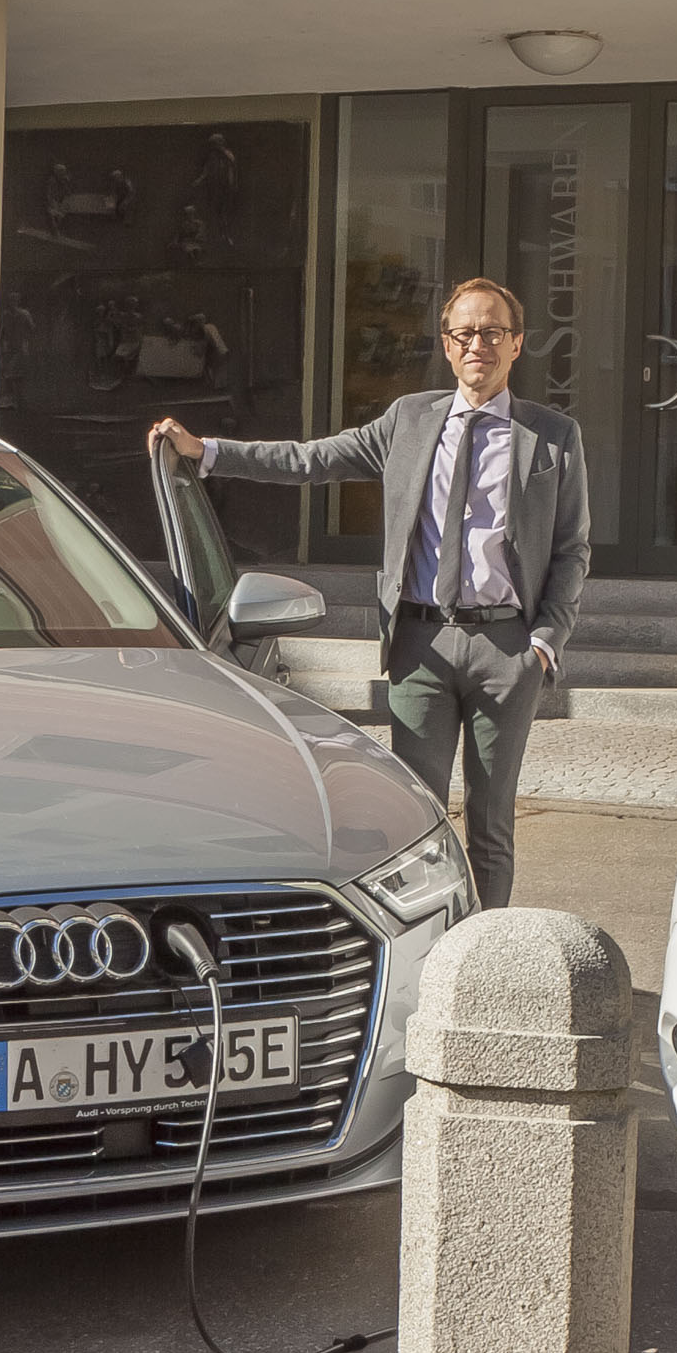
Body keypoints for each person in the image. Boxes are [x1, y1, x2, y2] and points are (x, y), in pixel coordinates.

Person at [147, 278, 587, 910]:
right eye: (465, 333)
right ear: (446, 343)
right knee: (417, 820)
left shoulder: (551, 436)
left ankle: (485, 959)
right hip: (420, 645)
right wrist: (206, 451)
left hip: (506, 648)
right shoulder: (409, 419)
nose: (478, 345)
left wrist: (543, 643)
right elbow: (310, 459)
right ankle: (429, 953)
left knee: (491, 823)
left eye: (493, 332)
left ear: (517, 345)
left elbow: (573, 549)